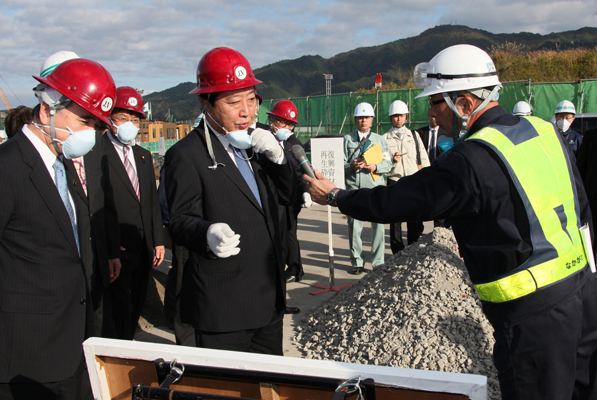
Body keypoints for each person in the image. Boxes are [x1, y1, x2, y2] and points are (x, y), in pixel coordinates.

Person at [305, 44, 597, 400]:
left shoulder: (471, 159)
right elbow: (582, 210)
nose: (430, 113)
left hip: (533, 317)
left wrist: (336, 195)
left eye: (434, 102)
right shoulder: (544, 131)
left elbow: (393, 201)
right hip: (582, 295)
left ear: (464, 104)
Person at [164, 47, 295, 355]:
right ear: (205, 102)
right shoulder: (186, 155)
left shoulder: (259, 143)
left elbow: (289, 197)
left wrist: (278, 158)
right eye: (234, 102)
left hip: (268, 300)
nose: (246, 111)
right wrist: (206, 233)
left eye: (252, 99)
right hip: (224, 308)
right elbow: (181, 220)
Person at [0, 58, 116, 400]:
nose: (90, 134)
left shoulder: (62, 166)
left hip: (71, 346)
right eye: (84, 121)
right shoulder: (8, 167)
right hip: (24, 357)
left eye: (96, 125)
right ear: (49, 109)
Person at [103, 86, 165, 340]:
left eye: (135, 119)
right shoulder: (97, 154)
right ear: (109, 118)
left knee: (136, 303)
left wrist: (158, 239)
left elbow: (151, 202)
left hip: (143, 249)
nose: (130, 124)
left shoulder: (142, 155)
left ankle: (128, 343)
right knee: (116, 309)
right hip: (116, 251)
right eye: (123, 118)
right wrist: (109, 247)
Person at [266, 100, 312, 284]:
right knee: (278, 234)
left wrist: (305, 191)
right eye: (282, 122)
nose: (286, 127)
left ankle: (295, 269)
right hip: (272, 197)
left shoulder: (294, 143)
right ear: (272, 120)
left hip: (290, 198)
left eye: (290, 124)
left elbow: (301, 171)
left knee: (290, 233)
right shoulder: (266, 140)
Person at [344, 102, 392, 274]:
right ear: (355, 119)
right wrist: (351, 166)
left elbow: (388, 163)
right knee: (354, 226)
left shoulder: (380, 140)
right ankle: (357, 261)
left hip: (375, 188)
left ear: (372, 119)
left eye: (366, 117)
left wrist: (376, 167)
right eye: (360, 118)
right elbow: (339, 164)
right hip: (354, 189)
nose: (363, 120)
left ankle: (378, 261)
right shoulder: (347, 140)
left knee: (378, 226)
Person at [382, 100, 429, 253]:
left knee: (414, 217)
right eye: (395, 116)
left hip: (413, 180)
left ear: (406, 116)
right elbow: (381, 163)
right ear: (390, 117)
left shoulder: (414, 136)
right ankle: (397, 250)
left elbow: (423, 158)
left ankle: (413, 247)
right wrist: (392, 161)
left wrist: (426, 179)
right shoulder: (384, 139)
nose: (398, 118)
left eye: (401, 115)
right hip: (394, 180)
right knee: (395, 219)